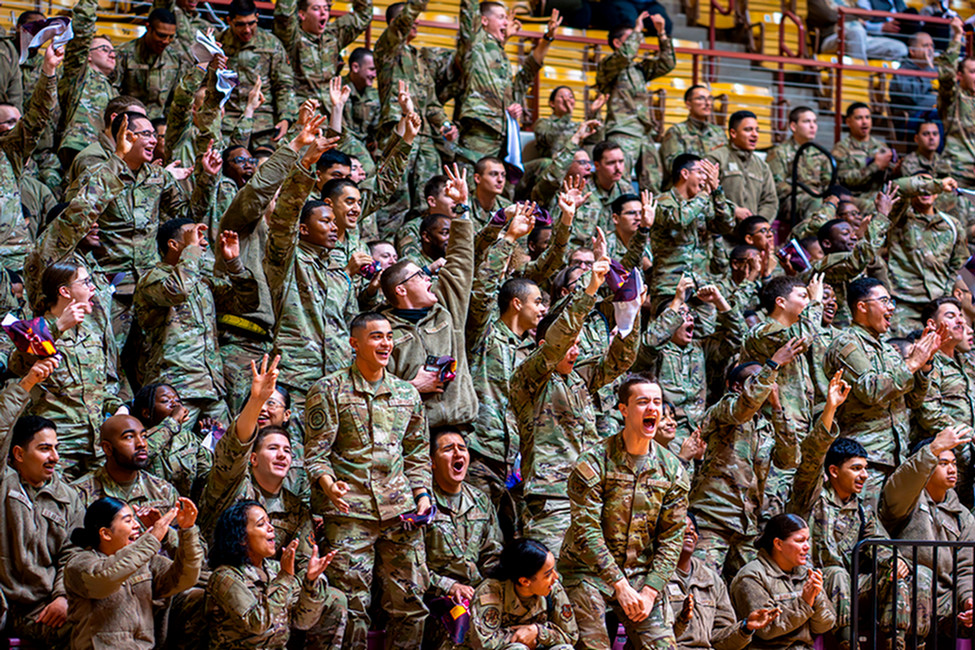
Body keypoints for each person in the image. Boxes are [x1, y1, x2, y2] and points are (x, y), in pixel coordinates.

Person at [303, 311, 432, 648]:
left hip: (400, 513)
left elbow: (417, 454)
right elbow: (316, 454)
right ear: (354, 343)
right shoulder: (328, 389)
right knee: (350, 607)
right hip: (349, 514)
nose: (385, 343)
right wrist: (329, 485)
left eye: (389, 337)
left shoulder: (407, 394)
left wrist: (423, 495)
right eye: (376, 337)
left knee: (411, 605)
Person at [510, 259, 640, 558]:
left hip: (590, 498)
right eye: (571, 344)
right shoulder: (529, 378)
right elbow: (557, 343)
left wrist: (628, 314)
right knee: (552, 580)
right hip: (552, 499)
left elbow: (621, 361)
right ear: (544, 344)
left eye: (579, 344)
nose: (576, 351)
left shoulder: (578, 381)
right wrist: (590, 290)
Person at [558, 374, 688, 649]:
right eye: (643, 402)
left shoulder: (673, 469)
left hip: (640, 574)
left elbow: (672, 539)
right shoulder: (594, 462)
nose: (653, 408)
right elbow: (586, 530)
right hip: (588, 571)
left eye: (657, 402)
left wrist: (651, 591)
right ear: (623, 410)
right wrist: (620, 585)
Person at [689, 340, 804, 581]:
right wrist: (772, 365)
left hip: (747, 526)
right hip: (713, 518)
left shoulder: (766, 427)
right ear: (736, 387)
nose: (766, 384)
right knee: (703, 587)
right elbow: (742, 409)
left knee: (759, 587)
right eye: (758, 380)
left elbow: (789, 459)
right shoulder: (724, 409)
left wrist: (777, 407)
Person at [824, 277, 942, 508]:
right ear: (862, 306)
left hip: (897, 458)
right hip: (865, 461)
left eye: (892, 302)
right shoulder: (846, 344)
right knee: (867, 536)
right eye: (885, 301)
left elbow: (914, 400)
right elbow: (872, 391)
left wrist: (925, 364)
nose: (891, 308)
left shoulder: (887, 349)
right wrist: (911, 364)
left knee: (898, 534)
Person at [135, 219, 257, 431]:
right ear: (173, 244)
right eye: (193, 235)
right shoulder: (153, 278)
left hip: (212, 388)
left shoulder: (201, 283)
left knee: (221, 453)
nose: (202, 242)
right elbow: (178, 291)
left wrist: (234, 263)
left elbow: (247, 302)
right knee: (172, 453)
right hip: (175, 390)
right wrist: (191, 251)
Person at [380, 164, 477, 430]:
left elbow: (461, 261)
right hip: (411, 434)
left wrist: (461, 209)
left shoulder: (446, 308)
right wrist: (410, 387)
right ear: (400, 289)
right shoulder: (382, 330)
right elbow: (371, 389)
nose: (428, 278)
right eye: (419, 276)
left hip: (459, 427)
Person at [10, 261, 124, 479]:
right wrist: (57, 327)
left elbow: (96, 389)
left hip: (96, 445)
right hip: (59, 446)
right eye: (86, 282)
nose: (93, 288)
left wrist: (119, 408)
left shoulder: (91, 334)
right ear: (64, 291)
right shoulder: (35, 330)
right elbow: (17, 364)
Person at [0, 356, 83, 646]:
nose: (55, 458)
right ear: (19, 454)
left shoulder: (69, 497)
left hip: (40, 608)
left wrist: (62, 596)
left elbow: (72, 553)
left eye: (56, 449)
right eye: (45, 449)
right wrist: (28, 383)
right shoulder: (3, 481)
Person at [65, 496, 203, 649]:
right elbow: (105, 578)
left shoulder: (146, 562)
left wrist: (187, 530)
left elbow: (186, 577)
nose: (137, 525)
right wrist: (152, 538)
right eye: (128, 520)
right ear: (105, 533)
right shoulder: (79, 564)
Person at [879, 426, 975, 632]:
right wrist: (934, 448)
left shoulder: (962, 515)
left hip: (945, 597)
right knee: (921, 577)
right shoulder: (906, 499)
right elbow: (903, 483)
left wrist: (968, 599)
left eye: (954, 464)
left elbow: (966, 568)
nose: (952, 470)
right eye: (943, 464)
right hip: (907, 589)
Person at [205, 500, 335, 648]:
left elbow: (302, 621)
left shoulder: (275, 569)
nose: (271, 528)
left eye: (269, 522)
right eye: (261, 524)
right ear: (241, 538)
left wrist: (311, 582)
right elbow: (257, 623)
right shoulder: (224, 576)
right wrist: (285, 577)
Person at [424, 428, 504, 648]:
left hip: (476, 597)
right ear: (431, 461)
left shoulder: (480, 500)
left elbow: (492, 556)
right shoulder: (422, 504)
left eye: (463, 448)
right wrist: (449, 586)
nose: (458, 454)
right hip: (434, 601)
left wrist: (490, 590)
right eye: (448, 449)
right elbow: (407, 567)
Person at [454, 1, 557, 165]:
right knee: (469, 185)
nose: (506, 22)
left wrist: (514, 107)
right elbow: (468, 16)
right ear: (484, 21)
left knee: (499, 189)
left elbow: (526, 75)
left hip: (504, 136)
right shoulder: (475, 45)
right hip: (480, 132)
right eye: (501, 17)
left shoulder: (502, 58)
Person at [668, 514, 779, 649]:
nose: (690, 532)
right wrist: (681, 621)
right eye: (682, 528)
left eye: (692, 528)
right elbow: (649, 636)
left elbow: (720, 639)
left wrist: (746, 627)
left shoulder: (711, 579)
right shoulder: (654, 580)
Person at [729, 514, 837, 649]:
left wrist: (816, 598)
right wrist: (804, 603)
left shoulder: (806, 572)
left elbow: (824, 625)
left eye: (807, 540)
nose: (807, 546)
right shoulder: (751, 577)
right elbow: (766, 630)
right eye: (800, 541)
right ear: (778, 544)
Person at [596, 12, 675, 192]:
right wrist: (638, 29)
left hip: (643, 132)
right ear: (617, 43)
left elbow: (667, 63)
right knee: (619, 181)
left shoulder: (639, 69)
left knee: (653, 183)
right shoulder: (608, 65)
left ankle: (649, 218)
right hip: (622, 130)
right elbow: (624, 56)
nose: (638, 42)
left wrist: (662, 34)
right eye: (631, 38)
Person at [912, 297, 975, 508]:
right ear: (932, 325)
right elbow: (928, 413)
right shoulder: (928, 361)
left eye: (960, 315)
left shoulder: (967, 363)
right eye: (950, 316)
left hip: (968, 460)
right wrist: (969, 433)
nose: (960, 321)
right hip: (942, 459)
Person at [462, 538, 578, 650]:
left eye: (554, 570)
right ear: (525, 581)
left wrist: (538, 632)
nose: (556, 577)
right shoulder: (491, 592)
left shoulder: (552, 588)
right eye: (547, 574)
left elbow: (570, 636)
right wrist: (520, 636)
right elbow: (483, 642)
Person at [218, 0, 297, 148]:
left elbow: (284, 85)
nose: (247, 30)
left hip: (264, 124)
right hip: (228, 123)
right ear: (229, 21)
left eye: (251, 23)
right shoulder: (219, 44)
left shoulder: (271, 44)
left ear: (258, 18)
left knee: (266, 163)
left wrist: (286, 118)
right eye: (240, 24)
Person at [273, 0, 371, 108]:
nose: (323, 12)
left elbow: (363, 16)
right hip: (304, 112)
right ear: (302, 14)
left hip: (332, 112)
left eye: (326, 8)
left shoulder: (333, 37)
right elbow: (284, 15)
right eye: (316, 9)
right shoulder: (293, 38)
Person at [708, 110, 778, 222]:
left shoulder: (762, 166)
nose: (755, 134)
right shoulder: (716, 158)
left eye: (757, 130)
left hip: (752, 236)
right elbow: (703, 196)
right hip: (721, 235)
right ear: (733, 133)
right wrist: (732, 210)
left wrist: (757, 225)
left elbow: (770, 201)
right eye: (748, 130)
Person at [766, 106, 833, 222]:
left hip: (817, 197)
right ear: (793, 126)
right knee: (814, 201)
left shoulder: (820, 153)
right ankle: (811, 240)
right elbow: (776, 185)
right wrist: (808, 192)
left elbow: (829, 180)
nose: (812, 126)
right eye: (807, 121)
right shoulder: (779, 152)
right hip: (790, 201)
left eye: (815, 122)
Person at [114, 9, 184, 119]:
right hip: (129, 120)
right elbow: (114, 94)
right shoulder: (124, 54)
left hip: (161, 123)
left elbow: (175, 97)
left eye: (171, 37)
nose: (166, 41)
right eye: (161, 35)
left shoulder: (175, 57)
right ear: (148, 28)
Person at [659, 84, 727, 188]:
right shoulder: (676, 132)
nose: (708, 103)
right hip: (683, 194)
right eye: (701, 99)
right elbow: (674, 167)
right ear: (688, 104)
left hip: (711, 191)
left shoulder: (719, 133)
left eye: (710, 99)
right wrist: (709, 158)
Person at [936, 17, 975, 189]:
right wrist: (957, 36)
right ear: (960, 75)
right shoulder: (953, 98)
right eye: (973, 72)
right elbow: (945, 76)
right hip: (956, 175)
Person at [831, 103, 895, 196]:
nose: (864, 122)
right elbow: (844, 180)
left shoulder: (881, 146)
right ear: (848, 122)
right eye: (859, 118)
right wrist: (875, 166)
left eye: (867, 117)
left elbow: (888, 178)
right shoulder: (841, 149)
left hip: (878, 197)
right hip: (854, 199)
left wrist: (896, 170)